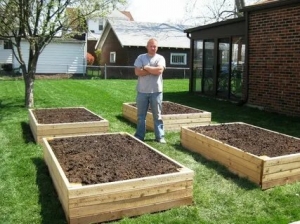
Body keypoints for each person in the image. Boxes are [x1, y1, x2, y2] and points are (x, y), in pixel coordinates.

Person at [133, 38, 166, 143]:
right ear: (147, 46)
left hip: (156, 91)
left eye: (155, 46)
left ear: (157, 47)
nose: (153, 48)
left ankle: (160, 137)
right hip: (142, 91)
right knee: (141, 116)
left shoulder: (160, 58)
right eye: (151, 46)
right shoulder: (140, 57)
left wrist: (146, 68)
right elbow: (137, 72)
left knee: (158, 115)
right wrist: (152, 70)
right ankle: (139, 135)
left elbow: (159, 70)